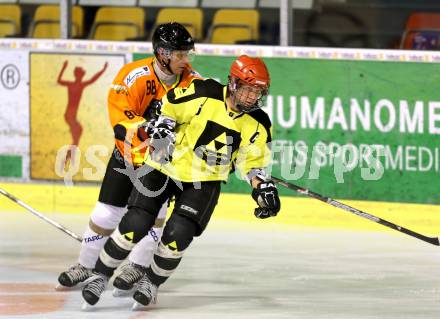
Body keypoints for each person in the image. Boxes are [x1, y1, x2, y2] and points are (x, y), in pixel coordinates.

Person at [81, 55, 281, 308]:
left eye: (258, 91)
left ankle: (151, 283)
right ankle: (99, 276)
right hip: (165, 166)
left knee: (178, 235)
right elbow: (169, 108)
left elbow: (252, 164)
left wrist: (261, 186)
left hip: (204, 179)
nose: (253, 97)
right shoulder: (203, 90)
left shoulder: (259, 123)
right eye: (248, 89)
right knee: (136, 222)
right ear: (233, 83)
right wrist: (164, 126)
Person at [57, 22, 202, 291]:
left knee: (154, 216)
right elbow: (121, 121)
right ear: (162, 53)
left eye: (187, 54)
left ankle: (137, 266)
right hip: (127, 157)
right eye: (179, 54)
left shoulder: (194, 84)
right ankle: (86, 265)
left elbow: (204, 118)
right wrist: (149, 128)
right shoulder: (134, 75)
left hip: (161, 166)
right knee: (106, 214)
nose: (185, 60)